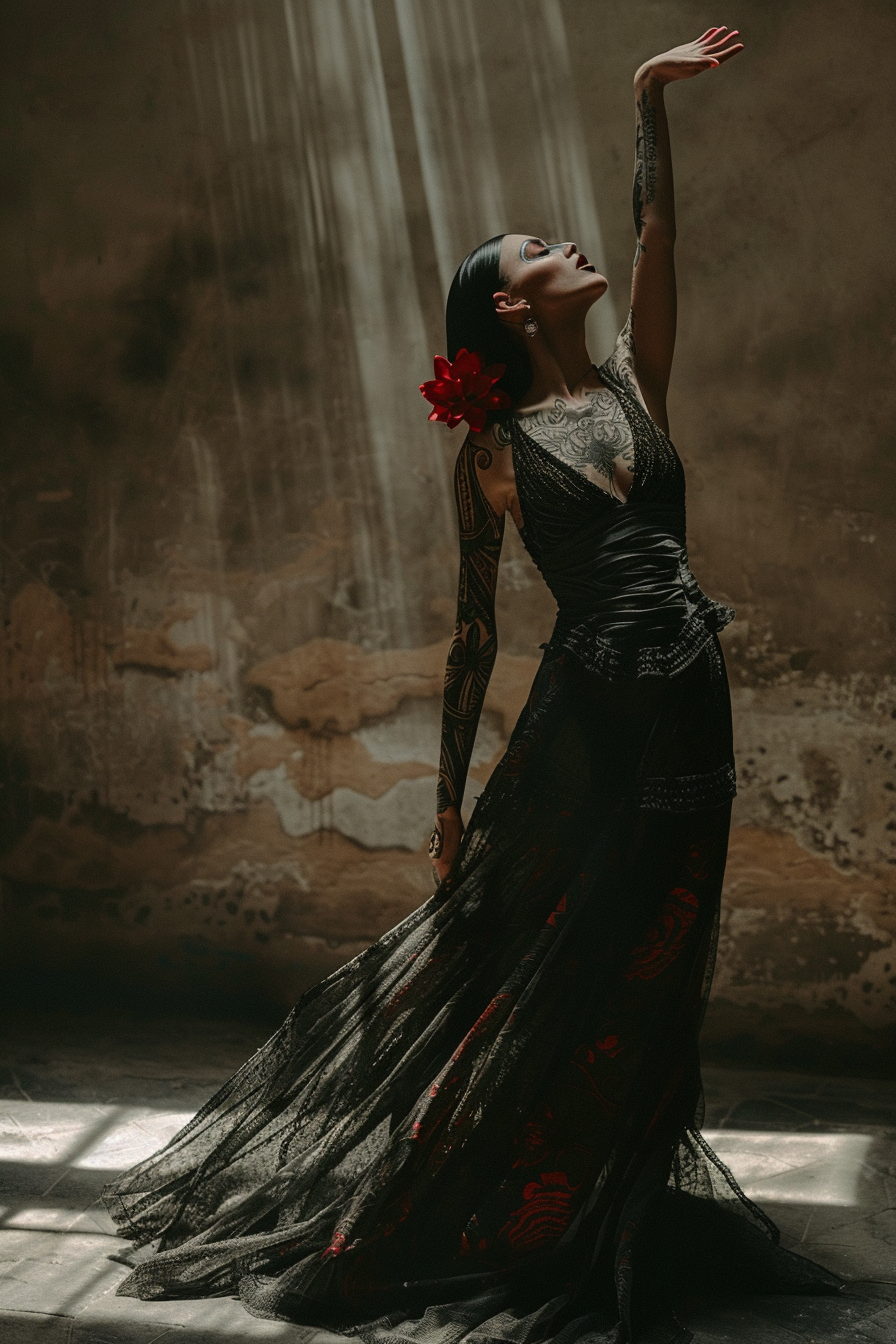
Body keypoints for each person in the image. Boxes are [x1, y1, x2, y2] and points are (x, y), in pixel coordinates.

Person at [103, 26, 842, 1344]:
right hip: (582, 729)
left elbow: (658, 241)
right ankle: (442, 1203)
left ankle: (594, 1204)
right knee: (528, 964)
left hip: (689, 711)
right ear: (512, 306)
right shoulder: (495, 452)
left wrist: (646, 105)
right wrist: (448, 806)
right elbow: (470, 636)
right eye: (539, 254)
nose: (571, 253)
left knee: (649, 970)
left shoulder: (633, 390)